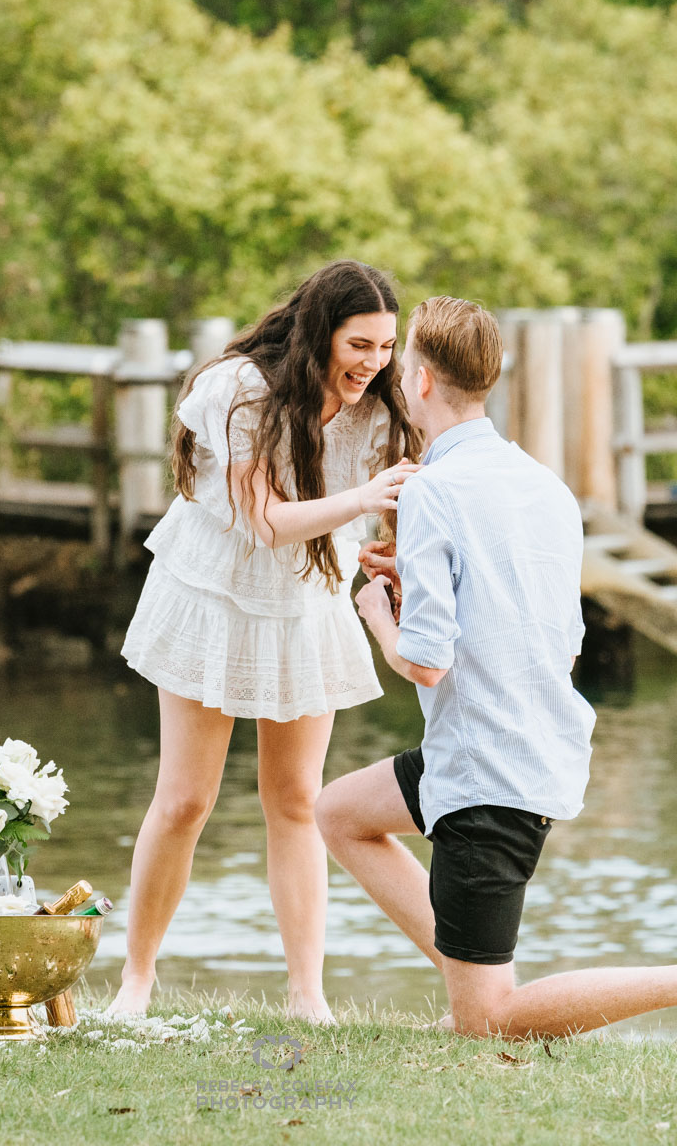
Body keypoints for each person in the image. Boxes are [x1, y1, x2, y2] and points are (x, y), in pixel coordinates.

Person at [316, 295, 677, 1038]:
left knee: (489, 1024)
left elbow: (423, 663)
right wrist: (420, 588)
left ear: (418, 380)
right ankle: (466, 979)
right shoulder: (546, 486)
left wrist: (381, 613)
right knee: (340, 814)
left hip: (487, 772)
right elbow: (554, 635)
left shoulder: (431, 491)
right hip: (516, 744)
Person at [111, 260, 421, 1022]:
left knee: (296, 800)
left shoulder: (376, 411)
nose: (373, 363)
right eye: (359, 345)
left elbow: (365, 522)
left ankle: (307, 996)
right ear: (320, 333)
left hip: (303, 600)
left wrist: (380, 549)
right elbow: (264, 521)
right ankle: (136, 981)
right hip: (212, 593)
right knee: (185, 800)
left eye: (386, 347)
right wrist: (361, 501)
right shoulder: (241, 391)